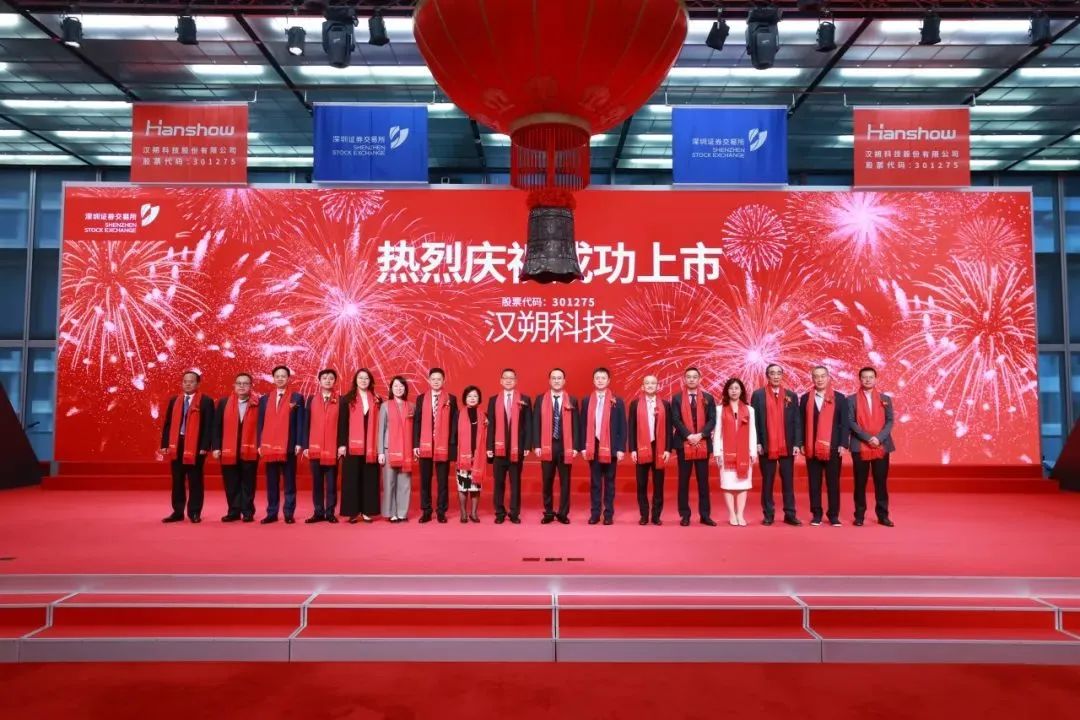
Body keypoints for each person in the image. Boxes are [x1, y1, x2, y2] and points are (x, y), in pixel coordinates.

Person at [751, 363, 804, 527]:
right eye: (772, 373)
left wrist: (797, 443)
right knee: (768, 481)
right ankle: (768, 514)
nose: (776, 376)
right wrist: (757, 442)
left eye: (778, 373)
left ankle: (790, 514)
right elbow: (755, 421)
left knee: (788, 481)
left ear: (782, 376)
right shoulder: (758, 395)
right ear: (767, 376)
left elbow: (797, 421)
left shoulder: (791, 395)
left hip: (787, 444)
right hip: (766, 444)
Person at [159, 371, 214, 523]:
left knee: (195, 480)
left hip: (196, 445)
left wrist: (205, 446)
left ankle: (194, 512)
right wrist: (165, 444)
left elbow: (209, 426)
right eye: (185, 381)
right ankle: (177, 512)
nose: (187, 384)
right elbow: (168, 423)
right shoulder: (174, 400)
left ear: (198, 383)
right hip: (177, 444)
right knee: (177, 480)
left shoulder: (206, 401)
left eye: (191, 381)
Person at [800, 366, 848, 527]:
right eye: (816, 376)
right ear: (812, 379)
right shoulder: (805, 398)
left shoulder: (839, 398)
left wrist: (843, 443)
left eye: (822, 376)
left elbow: (844, 423)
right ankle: (816, 514)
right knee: (814, 483)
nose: (819, 379)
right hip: (811, 447)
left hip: (833, 447)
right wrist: (801, 443)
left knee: (833, 483)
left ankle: (833, 515)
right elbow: (801, 423)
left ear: (828, 378)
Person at [847, 366, 895, 527]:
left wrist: (879, 438)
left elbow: (890, 421)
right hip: (860, 445)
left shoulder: (885, 399)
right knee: (860, 483)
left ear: (876, 379)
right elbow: (851, 422)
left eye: (871, 377)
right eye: (864, 377)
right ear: (860, 379)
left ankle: (883, 515)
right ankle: (859, 515)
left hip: (881, 446)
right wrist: (868, 438)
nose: (867, 380)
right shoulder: (851, 400)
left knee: (881, 483)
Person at [257, 365, 304, 524]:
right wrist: (259, 443)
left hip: (289, 446)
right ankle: (272, 513)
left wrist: (299, 442)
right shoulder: (264, 399)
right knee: (272, 482)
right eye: (277, 376)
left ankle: (289, 513)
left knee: (289, 482)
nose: (280, 379)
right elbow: (260, 423)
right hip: (269, 447)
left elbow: (300, 422)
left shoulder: (297, 398)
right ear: (273, 378)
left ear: (288, 378)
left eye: (283, 376)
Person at [579, 367, 627, 526]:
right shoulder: (587, 401)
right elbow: (583, 425)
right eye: (597, 378)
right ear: (593, 381)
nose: (600, 380)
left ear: (608, 381)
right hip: (593, 445)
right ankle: (595, 513)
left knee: (610, 483)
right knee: (595, 482)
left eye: (603, 378)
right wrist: (583, 447)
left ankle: (608, 514)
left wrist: (621, 448)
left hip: (611, 446)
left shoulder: (617, 401)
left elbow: (622, 426)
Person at [671, 367, 717, 527]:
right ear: (684, 379)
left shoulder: (708, 398)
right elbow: (675, 419)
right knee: (683, 482)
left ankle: (705, 515)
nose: (691, 379)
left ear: (699, 379)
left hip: (702, 443)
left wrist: (701, 435)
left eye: (694, 377)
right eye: (688, 377)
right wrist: (689, 435)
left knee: (703, 482)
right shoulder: (677, 398)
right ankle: (685, 515)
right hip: (683, 443)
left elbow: (712, 419)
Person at [486, 368, 531, 524]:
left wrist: (527, 445)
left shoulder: (524, 399)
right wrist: (489, 447)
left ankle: (514, 513)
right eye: (506, 377)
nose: (508, 380)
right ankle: (499, 513)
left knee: (515, 483)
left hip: (516, 449)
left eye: (511, 378)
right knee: (498, 483)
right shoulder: (493, 400)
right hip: (498, 449)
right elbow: (490, 425)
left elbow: (528, 424)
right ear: (501, 381)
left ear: (516, 381)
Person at [212, 372, 259, 523]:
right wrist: (216, 447)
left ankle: (247, 512)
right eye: (239, 383)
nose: (241, 386)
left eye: (245, 383)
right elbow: (217, 426)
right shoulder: (224, 403)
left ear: (251, 386)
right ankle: (233, 511)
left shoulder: (257, 403)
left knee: (248, 482)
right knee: (231, 482)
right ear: (234, 385)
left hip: (250, 448)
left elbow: (262, 427)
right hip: (228, 449)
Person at [534, 368, 578, 525]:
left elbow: (576, 424)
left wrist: (575, 446)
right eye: (554, 378)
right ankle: (548, 512)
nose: (557, 381)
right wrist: (537, 445)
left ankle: (563, 513)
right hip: (547, 445)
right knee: (547, 481)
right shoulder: (540, 399)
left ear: (564, 381)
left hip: (565, 446)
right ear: (549, 381)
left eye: (559, 378)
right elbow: (536, 422)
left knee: (565, 482)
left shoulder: (571, 400)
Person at [627, 375, 673, 526]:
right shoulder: (635, 404)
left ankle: (656, 516)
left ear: (657, 386)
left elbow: (668, 428)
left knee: (658, 485)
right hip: (641, 447)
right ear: (643, 386)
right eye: (647, 383)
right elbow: (631, 427)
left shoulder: (665, 405)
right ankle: (644, 515)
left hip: (659, 448)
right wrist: (633, 449)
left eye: (653, 383)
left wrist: (667, 449)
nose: (650, 385)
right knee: (641, 484)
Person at [414, 367, 458, 524]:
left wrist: (452, 445)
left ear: (444, 380)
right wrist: (416, 444)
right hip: (425, 445)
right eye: (433, 379)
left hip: (443, 446)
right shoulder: (421, 399)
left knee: (442, 481)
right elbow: (417, 422)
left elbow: (454, 423)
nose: (436, 381)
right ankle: (426, 511)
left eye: (439, 379)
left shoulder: (451, 399)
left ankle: (441, 511)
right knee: (425, 480)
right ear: (429, 380)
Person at [338, 368, 381, 524]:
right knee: (352, 478)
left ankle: (368, 511)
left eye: (366, 378)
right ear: (355, 380)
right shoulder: (347, 399)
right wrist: (342, 444)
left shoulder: (377, 399)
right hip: (352, 445)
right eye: (360, 378)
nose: (363, 380)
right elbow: (342, 423)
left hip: (371, 445)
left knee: (370, 477)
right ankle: (353, 512)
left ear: (370, 381)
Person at [712, 377, 757, 527]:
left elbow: (752, 432)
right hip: (725, 452)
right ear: (727, 391)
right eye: (731, 388)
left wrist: (753, 452)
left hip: (744, 452)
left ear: (741, 391)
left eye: (737, 388)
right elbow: (717, 432)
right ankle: (732, 514)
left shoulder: (750, 410)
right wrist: (717, 453)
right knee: (728, 483)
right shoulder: (720, 410)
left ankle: (740, 514)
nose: (734, 391)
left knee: (743, 484)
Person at [302, 368, 341, 524]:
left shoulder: (340, 400)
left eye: (331, 378)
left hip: (332, 449)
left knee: (331, 484)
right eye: (324, 378)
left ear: (334, 381)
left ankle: (330, 512)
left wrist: (341, 446)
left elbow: (343, 425)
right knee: (317, 483)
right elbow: (306, 424)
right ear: (319, 381)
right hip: (315, 447)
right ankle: (318, 512)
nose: (327, 380)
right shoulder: (311, 400)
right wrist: (305, 445)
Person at [379, 375, 413, 523]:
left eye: (401, 386)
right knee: (389, 482)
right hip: (388, 449)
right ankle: (391, 512)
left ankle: (402, 513)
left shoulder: (411, 406)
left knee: (405, 483)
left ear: (405, 389)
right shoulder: (385, 406)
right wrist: (380, 452)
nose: (399, 389)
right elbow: (381, 430)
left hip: (406, 449)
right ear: (391, 389)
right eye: (396, 386)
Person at [456, 385, 488, 523]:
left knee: (475, 486)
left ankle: (474, 513)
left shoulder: (484, 415)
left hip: (478, 455)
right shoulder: (458, 414)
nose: (472, 398)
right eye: (469, 396)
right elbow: (454, 434)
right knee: (463, 486)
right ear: (465, 398)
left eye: (475, 396)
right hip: (463, 455)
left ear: (479, 398)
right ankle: (463, 513)